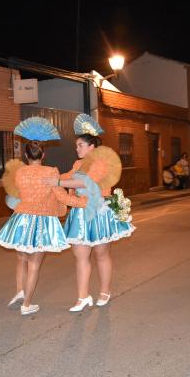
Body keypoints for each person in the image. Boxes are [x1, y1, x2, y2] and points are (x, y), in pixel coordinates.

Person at [0, 141, 88, 316]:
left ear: (26, 155)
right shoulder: (51, 171)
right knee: (34, 264)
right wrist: (84, 202)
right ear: (43, 155)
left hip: (21, 219)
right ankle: (26, 304)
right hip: (42, 221)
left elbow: (18, 195)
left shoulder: (20, 172)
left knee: (21, 258)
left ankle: (20, 292)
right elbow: (62, 197)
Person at [55, 114, 135, 312]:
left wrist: (57, 182)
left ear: (92, 146)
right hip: (80, 214)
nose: (77, 149)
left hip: (99, 213)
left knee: (101, 254)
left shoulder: (100, 163)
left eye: (80, 145)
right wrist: (49, 176)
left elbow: (85, 182)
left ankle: (104, 291)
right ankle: (83, 296)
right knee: (80, 256)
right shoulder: (77, 164)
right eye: (77, 145)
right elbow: (68, 176)